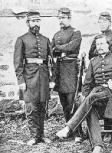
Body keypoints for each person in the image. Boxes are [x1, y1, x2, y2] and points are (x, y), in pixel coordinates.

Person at [56, 35, 112, 153]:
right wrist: (84, 96)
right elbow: (87, 83)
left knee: (91, 98)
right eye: (98, 45)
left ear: (108, 45)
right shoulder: (93, 61)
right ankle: (97, 146)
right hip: (96, 94)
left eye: (102, 44)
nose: (100, 47)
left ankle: (69, 127)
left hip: (111, 94)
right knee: (89, 108)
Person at [14, 10, 54, 145]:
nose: (36, 23)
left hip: (43, 77)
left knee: (43, 107)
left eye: (38, 20)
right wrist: (20, 80)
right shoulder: (22, 39)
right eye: (33, 21)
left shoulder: (45, 40)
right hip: (29, 77)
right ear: (28, 22)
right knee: (31, 107)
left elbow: (50, 61)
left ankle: (41, 135)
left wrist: (52, 79)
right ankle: (33, 136)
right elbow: (18, 62)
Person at [51, 7, 83, 142]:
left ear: (69, 18)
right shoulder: (56, 34)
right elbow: (51, 51)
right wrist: (58, 50)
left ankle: (78, 132)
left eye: (63, 18)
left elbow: (72, 47)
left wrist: (58, 49)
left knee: (73, 101)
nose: (61, 21)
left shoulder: (76, 32)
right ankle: (68, 129)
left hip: (71, 69)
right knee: (64, 102)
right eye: (59, 18)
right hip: (59, 69)